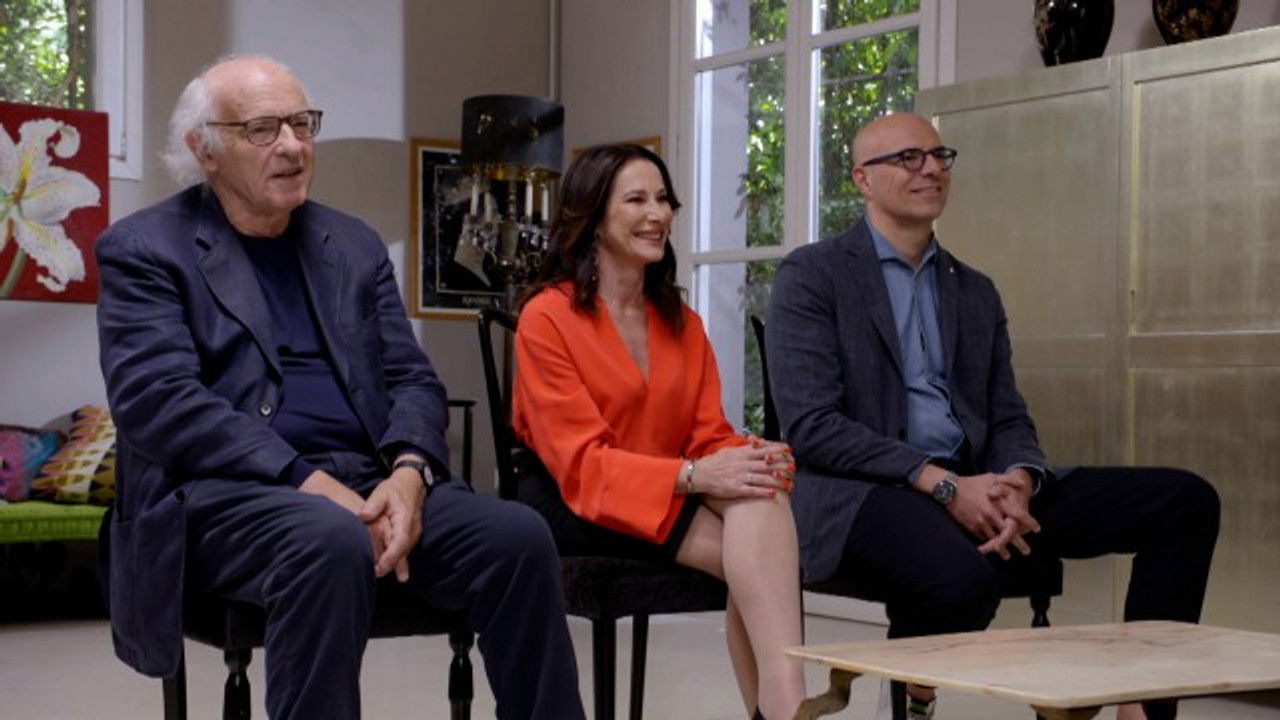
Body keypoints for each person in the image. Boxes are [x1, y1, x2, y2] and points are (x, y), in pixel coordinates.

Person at [95, 55, 584, 720]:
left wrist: (409, 474)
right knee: (328, 539)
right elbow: (159, 402)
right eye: (263, 129)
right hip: (221, 496)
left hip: (368, 477)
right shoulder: (145, 247)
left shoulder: (351, 244)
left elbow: (411, 378)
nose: (292, 146)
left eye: (302, 124)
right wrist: (304, 479)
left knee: (519, 537)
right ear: (204, 149)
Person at [765, 113, 1219, 720]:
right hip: (869, 490)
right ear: (862, 180)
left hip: (978, 479)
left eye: (939, 155)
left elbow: (1007, 415)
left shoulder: (975, 290)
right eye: (908, 158)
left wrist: (1020, 479)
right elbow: (812, 426)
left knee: (1183, 502)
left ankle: (1140, 708)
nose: (931, 168)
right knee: (961, 574)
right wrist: (942, 484)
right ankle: (912, 694)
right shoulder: (812, 275)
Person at [511, 143, 806, 720]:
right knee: (759, 566)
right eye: (637, 200)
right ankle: (787, 706)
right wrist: (697, 474)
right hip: (573, 498)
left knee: (759, 497)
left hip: (666, 487)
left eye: (664, 199)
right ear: (594, 216)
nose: (658, 213)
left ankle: (784, 703)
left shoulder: (681, 321)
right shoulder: (547, 317)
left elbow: (706, 434)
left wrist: (751, 457)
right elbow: (581, 463)